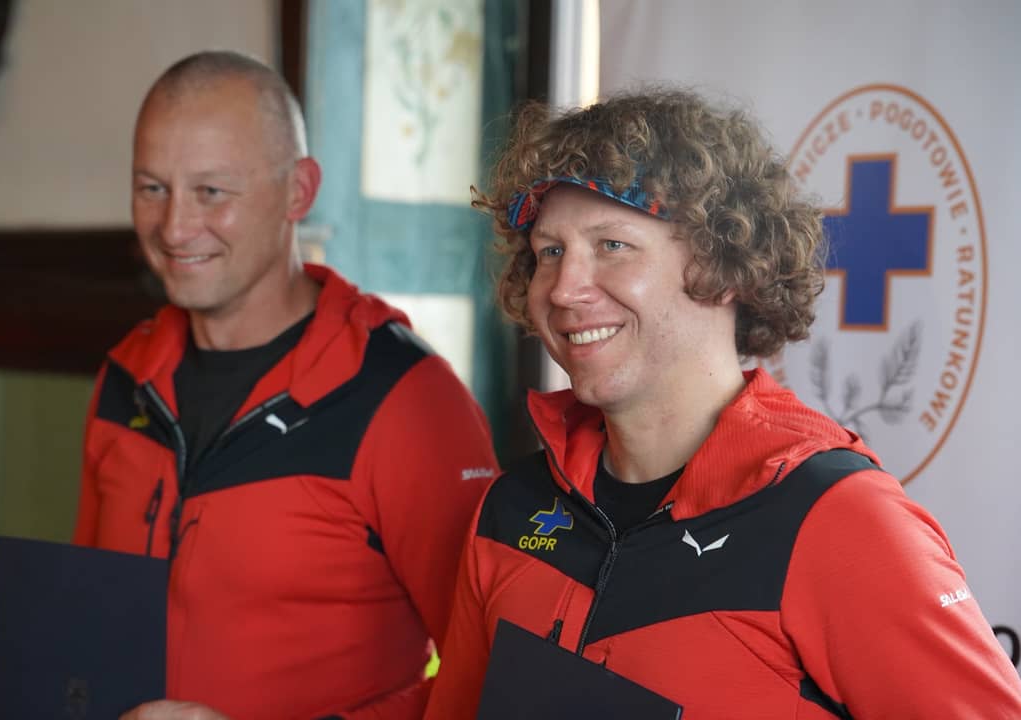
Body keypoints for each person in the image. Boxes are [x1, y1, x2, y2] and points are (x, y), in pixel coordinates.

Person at [423, 89, 1021, 718]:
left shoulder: (837, 520)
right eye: (550, 251)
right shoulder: (513, 506)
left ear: (725, 265)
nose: (564, 288)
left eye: (612, 245)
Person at [72, 51, 499, 720]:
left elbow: (487, 684)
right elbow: (84, 632)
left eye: (212, 192)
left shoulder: (408, 402)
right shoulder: (126, 378)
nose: (174, 227)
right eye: (152, 188)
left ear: (299, 191)